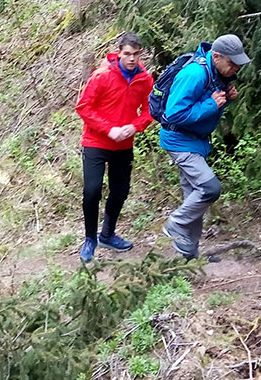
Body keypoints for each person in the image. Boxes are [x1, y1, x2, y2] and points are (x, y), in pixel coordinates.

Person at [159, 34, 250, 259]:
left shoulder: (215, 72)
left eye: (238, 64)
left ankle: (189, 255)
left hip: (196, 141)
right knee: (209, 188)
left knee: (194, 197)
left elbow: (205, 102)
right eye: (232, 63)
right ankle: (175, 224)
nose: (236, 68)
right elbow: (174, 113)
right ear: (216, 56)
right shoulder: (195, 74)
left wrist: (226, 99)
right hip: (179, 141)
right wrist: (212, 104)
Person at [74, 32, 155, 263]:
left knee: (120, 191)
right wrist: (109, 129)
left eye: (136, 54)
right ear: (119, 53)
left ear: (141, 54)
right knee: (92, 191)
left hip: (124, 144)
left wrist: (135, 126)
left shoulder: (144, 79)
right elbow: (84, 107)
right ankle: (90, 239)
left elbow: (150, 110)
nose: (131, 58)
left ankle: (107, 235)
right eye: (127, 54)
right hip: (96, 142)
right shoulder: (102, 75)